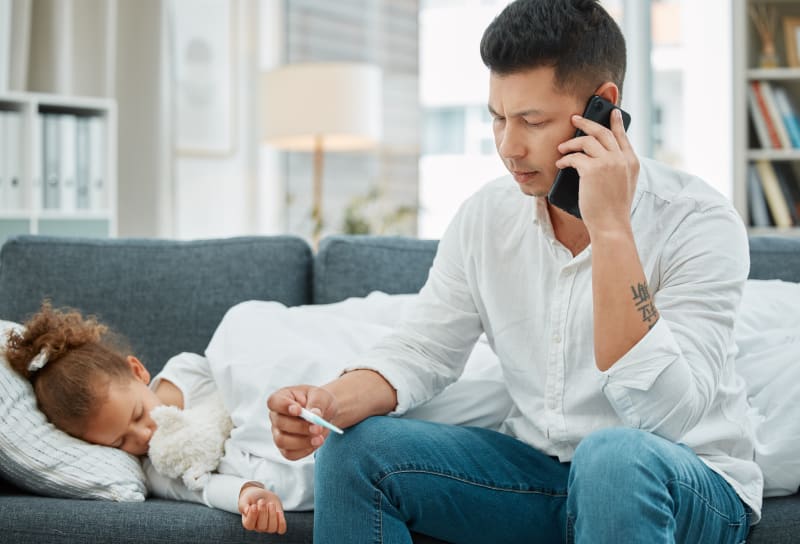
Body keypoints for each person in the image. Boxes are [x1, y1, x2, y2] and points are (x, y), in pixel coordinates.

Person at [266, 1, 763, 542]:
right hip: (540, 475)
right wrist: (328, 402)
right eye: (498, 119)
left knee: (614, 457)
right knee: (355, 450)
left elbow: (667, 418)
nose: (508, 147)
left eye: (532, 121)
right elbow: (423, 350)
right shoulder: (486, 216)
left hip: (683, 478)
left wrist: (612, 229)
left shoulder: (699, 221)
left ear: (604, 106)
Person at [3, 295, 511, 536]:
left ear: (139, 372)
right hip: (267, 457)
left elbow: (241, 363)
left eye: (137, 414)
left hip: (290, 391)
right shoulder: (158, 466)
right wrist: (247, 493)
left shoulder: (190, 370)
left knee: (243, 325)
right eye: (118, 443)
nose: (144, 434)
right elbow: (201, 486)